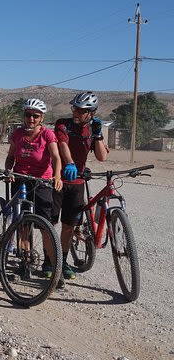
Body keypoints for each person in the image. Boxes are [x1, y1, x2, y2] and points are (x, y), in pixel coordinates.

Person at [4, 98, 63, 281]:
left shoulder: (47, 135)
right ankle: (26, 262)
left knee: (46, 228)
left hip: (41, 181)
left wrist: (58, 176)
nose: (31, 119)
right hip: (20, 179)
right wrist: (8, 171)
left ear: (41, 118)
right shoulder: (17, 134)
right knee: (23, 225)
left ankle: (55, 269)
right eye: (28, 115)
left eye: (35, 116)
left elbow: (56, 157)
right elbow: (11, 157)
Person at [54, 92, 109, 284]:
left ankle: (62, 261)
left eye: (81, 110)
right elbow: (62, 145)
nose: (76, 112)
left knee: (68, 226)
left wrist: (99, 135)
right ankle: (49, 261)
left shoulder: (93, 129)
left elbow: (102, 157)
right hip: (58, 178)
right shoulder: (63, 123)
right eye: (74, 108)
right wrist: (69, 162)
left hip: (77, 183)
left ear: (91, 113)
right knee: (51, 223)